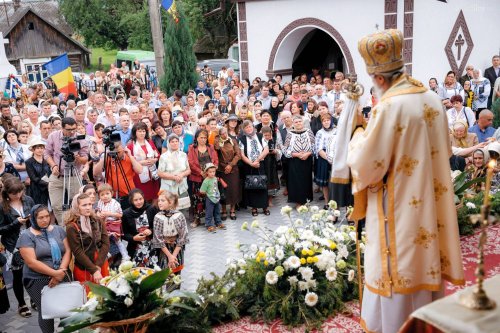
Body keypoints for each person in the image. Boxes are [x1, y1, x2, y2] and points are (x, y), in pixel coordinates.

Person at [349, 29, 464, 333]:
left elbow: (367, 165)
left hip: (397, 212)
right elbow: (446, 150)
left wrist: (357, 134)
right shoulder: (432, 98)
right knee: (423, 274)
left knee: (397, 278)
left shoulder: (389, 106)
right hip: (429, 207)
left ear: (381, 78)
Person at [17, 205, 71, 333]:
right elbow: (31, 262)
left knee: (66, 308)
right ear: (33, 219)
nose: (45, 220)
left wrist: (61, 272)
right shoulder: (26, 236)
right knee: (47, 310)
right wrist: (54, 273)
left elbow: (68, 251)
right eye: (41, 217)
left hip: (61, 273)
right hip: (37, 279)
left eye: (47, 216)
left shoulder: (58, 230)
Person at [0, 177, 35, 318]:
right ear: (7, 193)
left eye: (20, 192)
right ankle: (21, 303)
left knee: (33, 272)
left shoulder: (28, 200)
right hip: (13, 245)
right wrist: (16, 223)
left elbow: (37, 217)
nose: (18, 195)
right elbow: (1, 229)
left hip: (30, 241)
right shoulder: (2, 207)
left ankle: (34, 298)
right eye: (14, 193)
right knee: (18, 275)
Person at [45, 117, 89, 224]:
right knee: (56, 205)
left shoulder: (80, 138)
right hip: (57, 175)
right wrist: (53, 166)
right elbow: (47, 154)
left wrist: (77, 158)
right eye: (69, 129)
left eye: (74, 129)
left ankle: (78, 228)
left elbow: (85, 159)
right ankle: (63, 228)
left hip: (74, 176)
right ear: (62, 128)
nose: (72, 132)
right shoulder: (53, 136)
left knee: (78, 204)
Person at [65, 193, 110, 285]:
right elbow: (77, 251)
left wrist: (98, 265)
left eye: (90, 204)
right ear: (77, 207)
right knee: (89, 295)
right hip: (84, 265)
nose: (88, 207)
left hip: (101, 261)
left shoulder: (97, 220)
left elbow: (106, 243)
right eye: (84, 205)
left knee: (106, 292)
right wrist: (93, 270)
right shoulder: (71, 227)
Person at [187, 129, 218, 227]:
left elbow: (216, 160)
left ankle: (210, 219)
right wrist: (201, 172)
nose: (203, 139)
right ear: (196, 138)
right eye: (201, 137)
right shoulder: (192, 148)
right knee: (197, 199)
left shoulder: (210, 147)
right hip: (197, 178)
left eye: (205, 138)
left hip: (210, 178)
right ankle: (197, 218)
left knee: (210, 198)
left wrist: (211, 171)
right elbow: (190, 162)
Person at [152, 190, 188, 273]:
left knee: (176, 273)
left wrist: (173, 256)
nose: (159, 203)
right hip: (164, 249)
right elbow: (158, 238)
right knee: (166, 273)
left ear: (170, 202)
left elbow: (183, 236)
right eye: (159, 201)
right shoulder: (158, 217)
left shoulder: (179, 216)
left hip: (177, 248)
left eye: (162, 200)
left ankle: (176, 286)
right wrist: (169, 256)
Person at [122, 189, 159, 268]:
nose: (139, 202)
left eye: (140, 199)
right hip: (135, 249)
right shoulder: (126, 214)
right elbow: (123, 234)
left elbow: (158, 226)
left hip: (153, 247)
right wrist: (133, 238)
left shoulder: (151, 209)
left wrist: (151, 230)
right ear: (131, 201)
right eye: (135, 200)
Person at [239, 120, 270, 216]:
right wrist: (251, 164)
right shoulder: (242, 139)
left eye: (250, 126)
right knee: (252, 186)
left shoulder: (260, 136)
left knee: (263, 184)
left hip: (261, 164)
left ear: (253, 127)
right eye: (246, 127)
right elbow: (242, 155)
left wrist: (257, 160)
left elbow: (266, 150)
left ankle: (265, 207)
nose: (248, 129)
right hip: (249, 166)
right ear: (244, 129)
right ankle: (254, 208)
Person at [283, 116, 315, 205]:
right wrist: (296, 154)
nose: (298, 123)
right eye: (296, 122)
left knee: (306, 181)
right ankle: (298, 202)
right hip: (294, 161)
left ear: (303, 122)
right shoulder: (290, 133)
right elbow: (285, 149)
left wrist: (307, 154)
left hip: (307, 160)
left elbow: (314, 146)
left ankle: (306, 201)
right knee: (296, 181)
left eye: (300, 121)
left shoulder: (309, 132)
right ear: (293, 123)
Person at [126, 122, 160, 202]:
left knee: (154, 195)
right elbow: (129, 161)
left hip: (152, 173)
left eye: (144, 131)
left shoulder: (150, 142)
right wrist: (142, 163)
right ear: (135, 132)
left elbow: (157, 155)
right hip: (139, 175)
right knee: (142, 196)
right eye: (139, 131)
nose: (142, 133)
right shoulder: (130, 145)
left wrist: (154, 160)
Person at [96, 183, 129, 262]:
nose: (105, 196)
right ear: (99, 196)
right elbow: (98, 211)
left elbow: (120, 214)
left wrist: (109, 214)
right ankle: (109, 253)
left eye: (107, 194)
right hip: (104, 223)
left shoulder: (115, 203)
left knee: (117, 240)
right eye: (102, 195)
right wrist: (99, 214)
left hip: (114, 223)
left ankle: (125, 255)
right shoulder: (100, 202)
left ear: (112, 193)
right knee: (104, 239)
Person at [158, 134, 191, 210]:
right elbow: (160, 173)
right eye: (172, 141)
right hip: (169, 187)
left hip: (182, 186)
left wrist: (182, 175)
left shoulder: (183, 155)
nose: (175, 143)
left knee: (183, 208)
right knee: (169, 208)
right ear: (168, 143)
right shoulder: (164, 157)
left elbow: (188, 170)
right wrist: (174, 177)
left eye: (177, 141)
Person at [214, 127, 241, 220]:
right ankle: (224, 210)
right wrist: (218, 139)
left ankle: (232, 210)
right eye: (222, 134)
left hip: (233, 168)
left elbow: (238, 154)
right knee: (223, 190)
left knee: (233, 189)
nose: (224, 135)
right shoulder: (218, 142)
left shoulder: (233, 140)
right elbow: (216, 152)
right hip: (222, 169)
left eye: (226, 133)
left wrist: (231, 165)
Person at [314, 113, 336, 208]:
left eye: (328, 120)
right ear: (322, 123)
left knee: (336, 182)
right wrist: (329, 158)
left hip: (337, 157)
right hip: (324, 158)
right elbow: (318, 149)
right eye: (324, 121)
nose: (326, 122)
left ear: (331, 120)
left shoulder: (337, 130)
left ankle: (336, 202)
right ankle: (327, 202)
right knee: (325, 183)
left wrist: (335, 158)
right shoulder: (320, 133)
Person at [199, 163, 225, 233]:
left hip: (216, 198)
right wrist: (208, 193)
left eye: (213, 172)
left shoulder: (215, 179)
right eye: (210, 172)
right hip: (210, 199)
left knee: (217, 211)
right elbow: (202, 191)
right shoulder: (206, 181)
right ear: (206, 172)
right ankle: (209, 225)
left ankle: (218, 222)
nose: (212, 173)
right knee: (209, 212)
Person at [25, 139, 50, 206]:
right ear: (33, 150)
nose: (40, 150)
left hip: (48, 188)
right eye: (37, 148)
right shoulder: (29, 162)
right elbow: (33, 177)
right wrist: (46, 184)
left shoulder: (47, 160)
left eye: (42, 148)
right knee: (38, 207)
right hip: (36, 189)